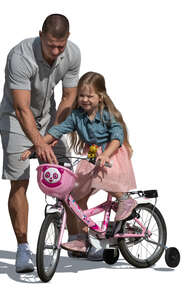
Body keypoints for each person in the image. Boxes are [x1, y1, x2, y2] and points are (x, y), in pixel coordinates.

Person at [0, 14, 81, 273]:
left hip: (48, 117)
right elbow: (22, 108)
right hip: (15, 117)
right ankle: (23, 249)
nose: (56, 52)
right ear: (41, 35)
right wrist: (38, 143)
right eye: (51, 45)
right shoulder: (20, 56)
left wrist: (52, 135)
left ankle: (77, 240)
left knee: (65, 175)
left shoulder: (73, 54)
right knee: (20, 180)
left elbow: (68, 98)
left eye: (61, 46)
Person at [21, 71, 137, 256]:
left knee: (106, 178)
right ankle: (81, 240)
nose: (84, 99)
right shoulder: (76, 116)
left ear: (100, 97)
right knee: (77, 195)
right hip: (92, 154)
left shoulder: (106, 115)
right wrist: (39, 145)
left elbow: (117, 137)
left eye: (89, 96)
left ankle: (125, 200)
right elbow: (58, 130)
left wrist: (106, 154)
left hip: (111, 153)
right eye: (81, 95)